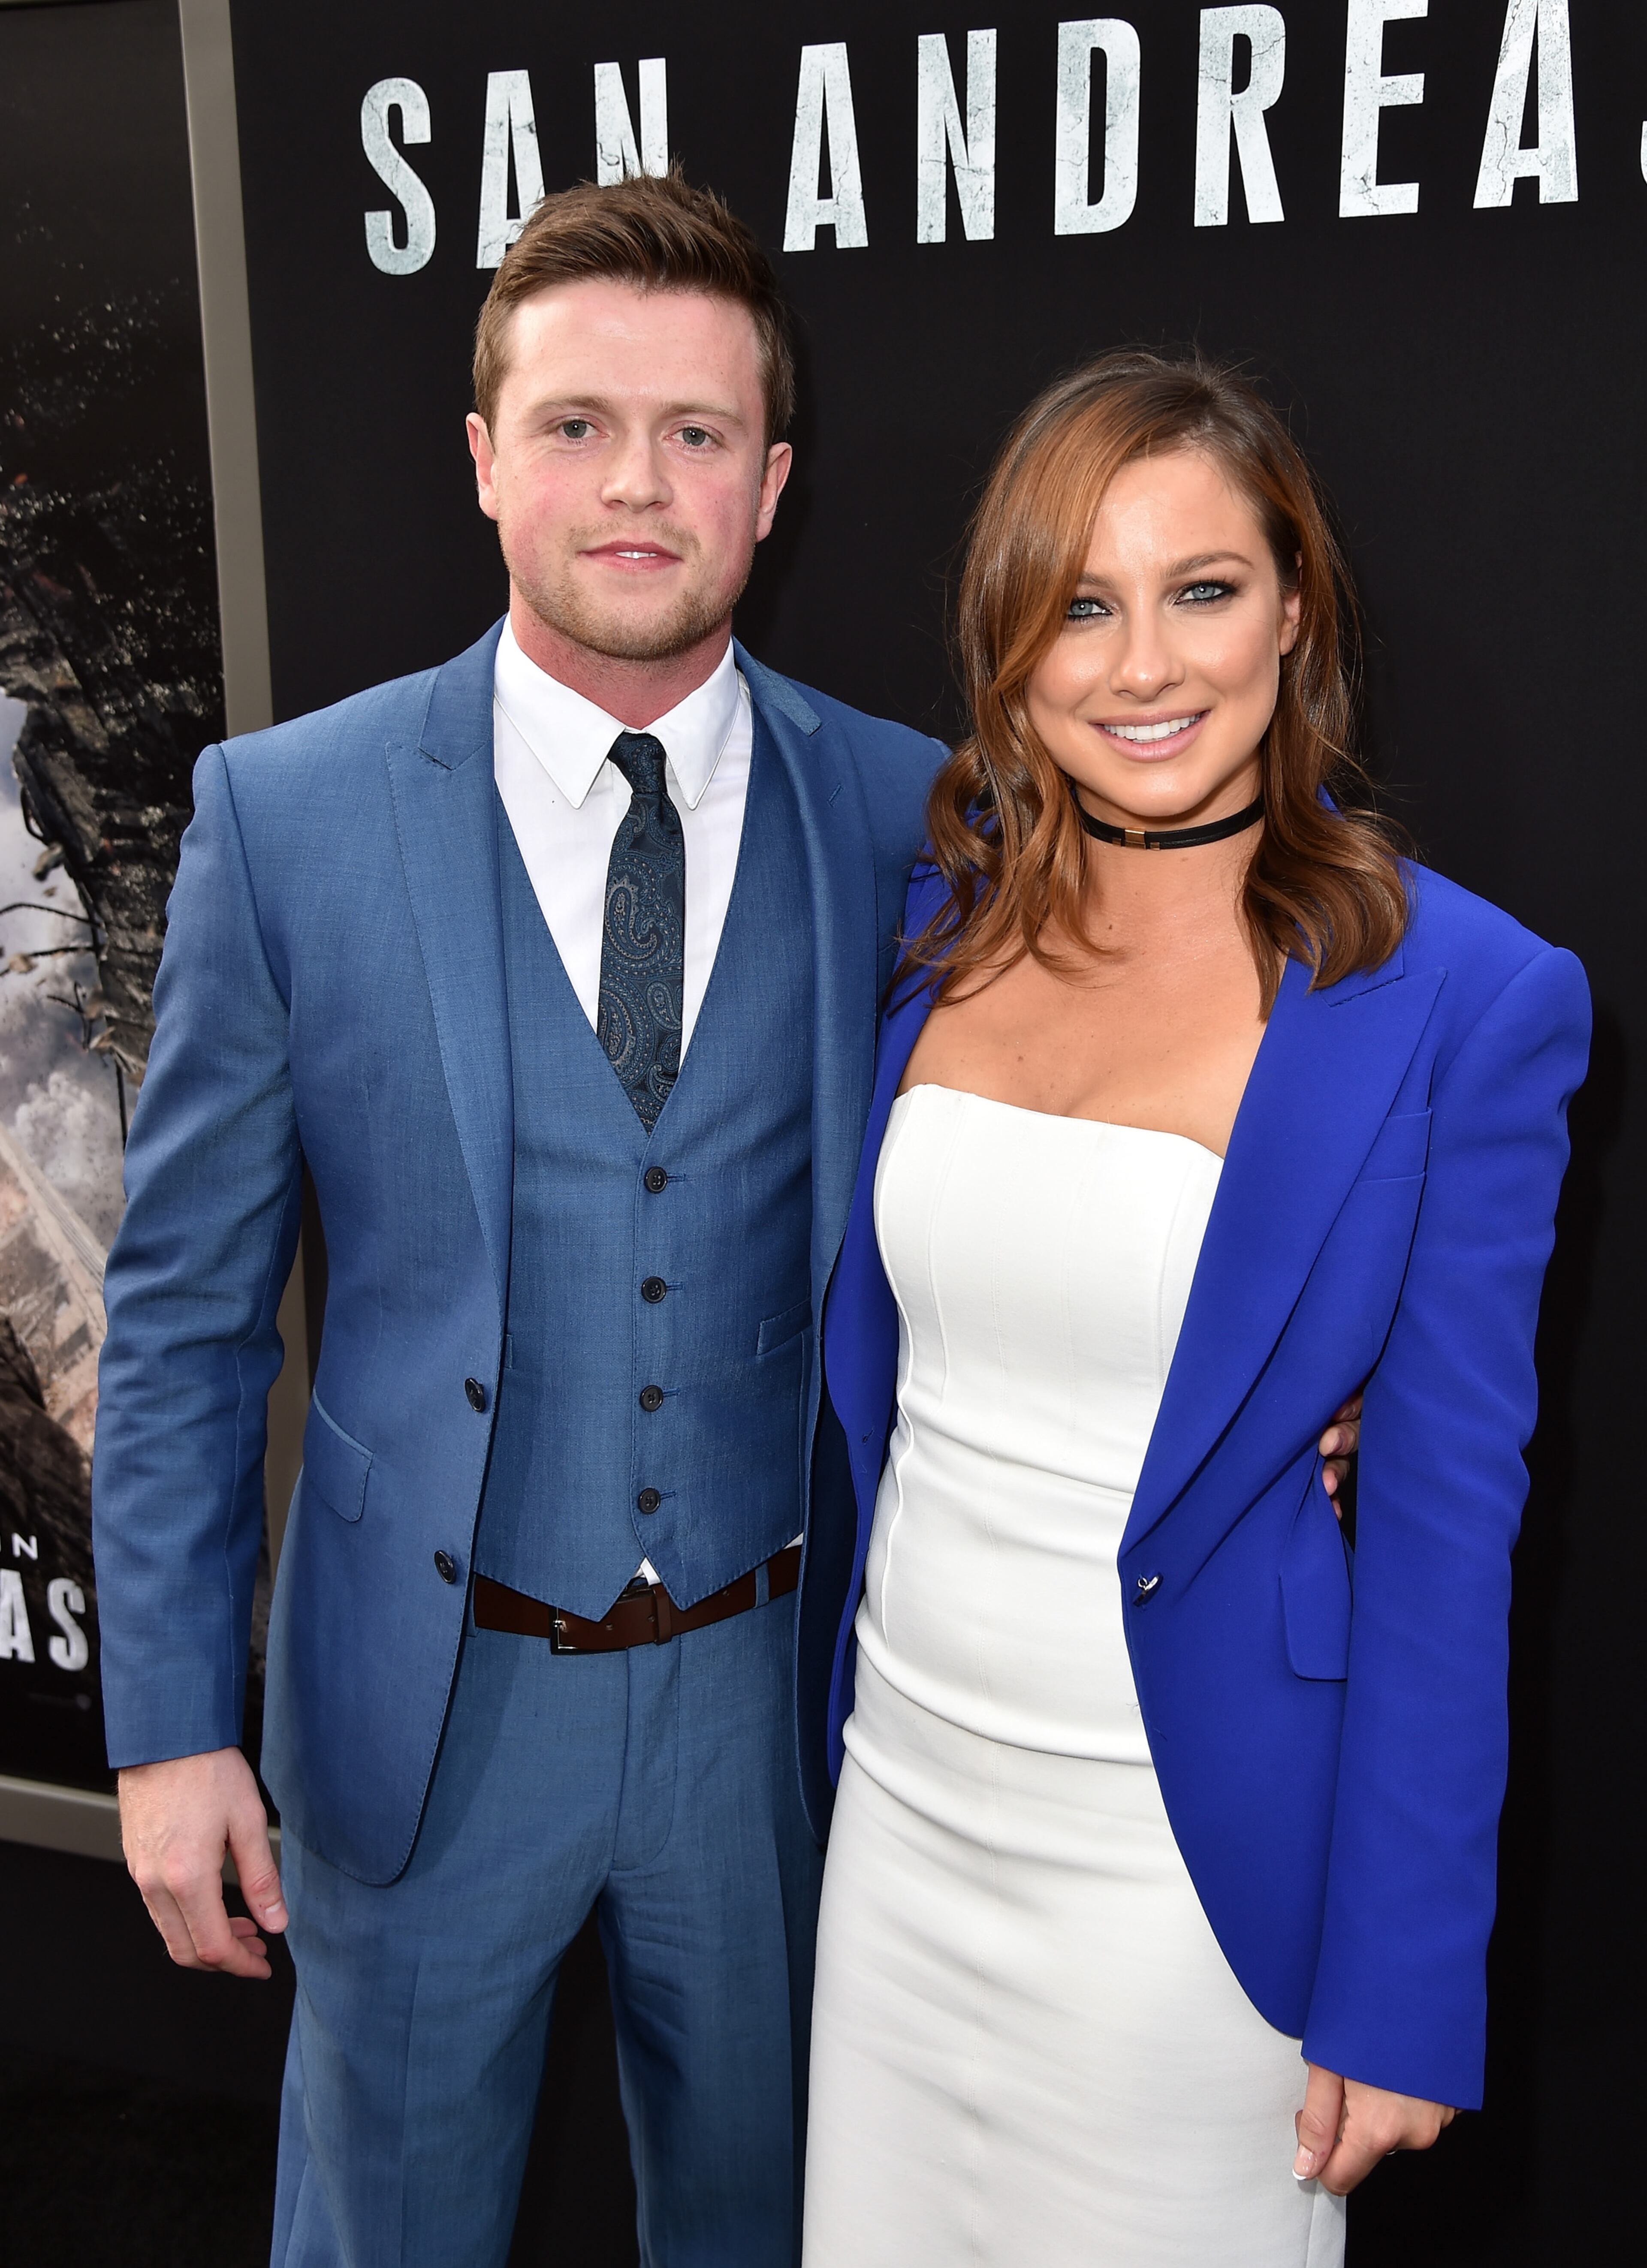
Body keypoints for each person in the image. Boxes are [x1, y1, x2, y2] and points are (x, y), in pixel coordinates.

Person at [91, 175, 1360, 2263]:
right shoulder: (287, 815)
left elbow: (1158, 1073)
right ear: (485, 457)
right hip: (421, 1728)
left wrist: (1333, 1371)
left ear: (768, 485)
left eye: (697, 436)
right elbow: (185, 1321)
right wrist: (166, 1733)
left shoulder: (921, 814)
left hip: (773, 1739)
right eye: (579, 425)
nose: (636, 486)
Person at [801, 352, 1590, 2267]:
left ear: (1297, 604)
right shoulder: (938, 917)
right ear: (1010, 639)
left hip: (1187, 1879)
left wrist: (1402, 1985)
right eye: (1080, 604)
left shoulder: (1465, 996)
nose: (1142, 667)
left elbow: (1444, 1526)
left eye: (1202, 590)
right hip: (898, 1823)